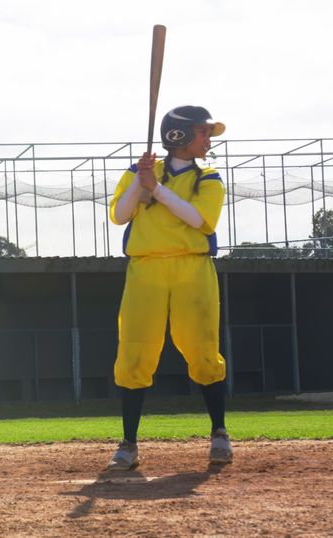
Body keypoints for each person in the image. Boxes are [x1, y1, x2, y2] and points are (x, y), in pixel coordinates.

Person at [105, 105, 232, 471]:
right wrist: (141, 181)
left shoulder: (209, 178)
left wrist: (156, 189)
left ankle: (219, 433)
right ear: (180, 136)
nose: (208, 140)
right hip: (145, 268)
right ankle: (129, 444)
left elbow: (200, 220)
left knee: (203, 351)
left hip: (193, 267)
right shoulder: (139, 172)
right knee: (134, 351)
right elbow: (120, 215)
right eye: (203, 132)